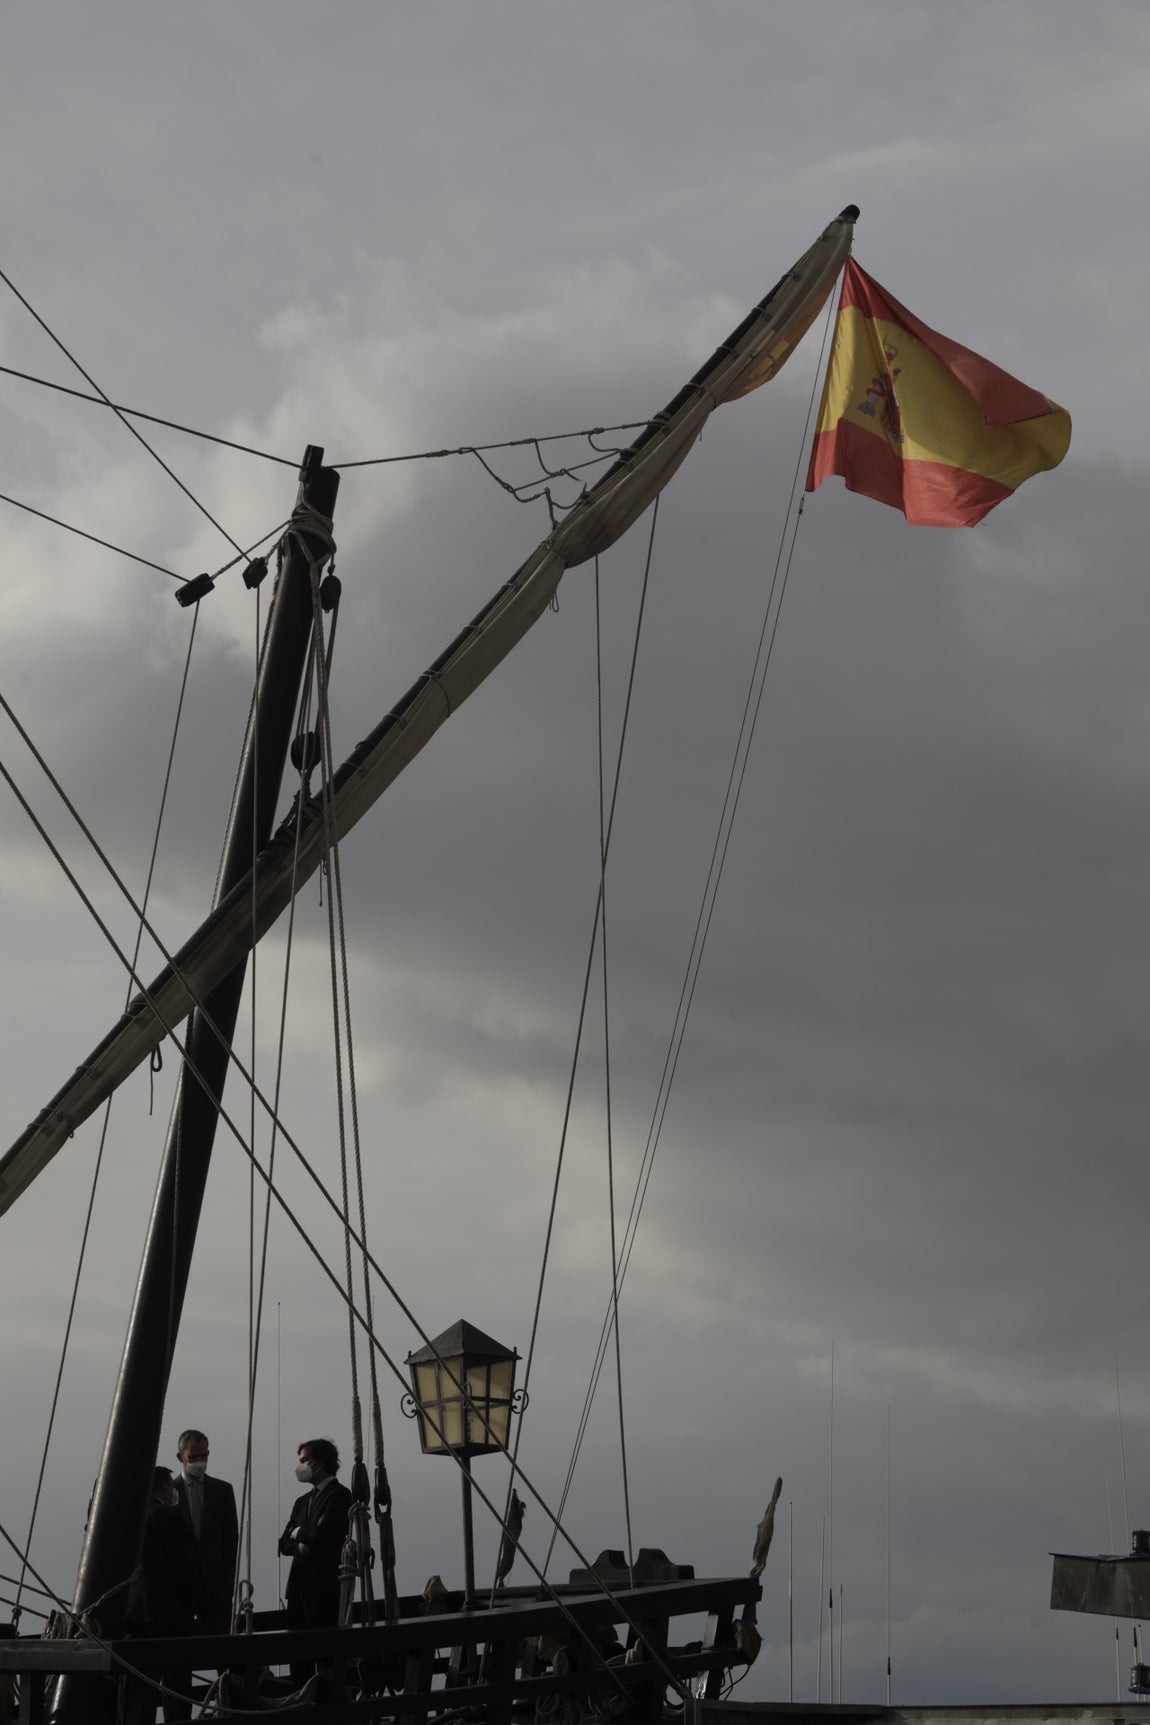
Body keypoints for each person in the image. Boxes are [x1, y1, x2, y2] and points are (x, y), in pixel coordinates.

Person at [278, 1438, 352, 1685]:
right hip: (298, 1587)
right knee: (297, 1654)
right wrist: (304, 1533)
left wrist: (298, 1532)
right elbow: (282, 1543)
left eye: (303, 1460)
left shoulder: (340, 1496)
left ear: (319, 1462)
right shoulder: (302, 1502)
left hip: (325, 1587)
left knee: (325, 1655)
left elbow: (324, 1536)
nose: (299, 1466)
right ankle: (301, 1702)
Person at [173, 1428, 239, 1638]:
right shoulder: (168, 1493)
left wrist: (226, 1580)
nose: (200, 1461)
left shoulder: (223, 1490)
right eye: (194, 1457)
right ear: (180, 1456)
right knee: (179, 1649)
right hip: (178, 1588)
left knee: (224, 1648)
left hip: (215, 1587)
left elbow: (230, 1540)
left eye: (204, 1456)